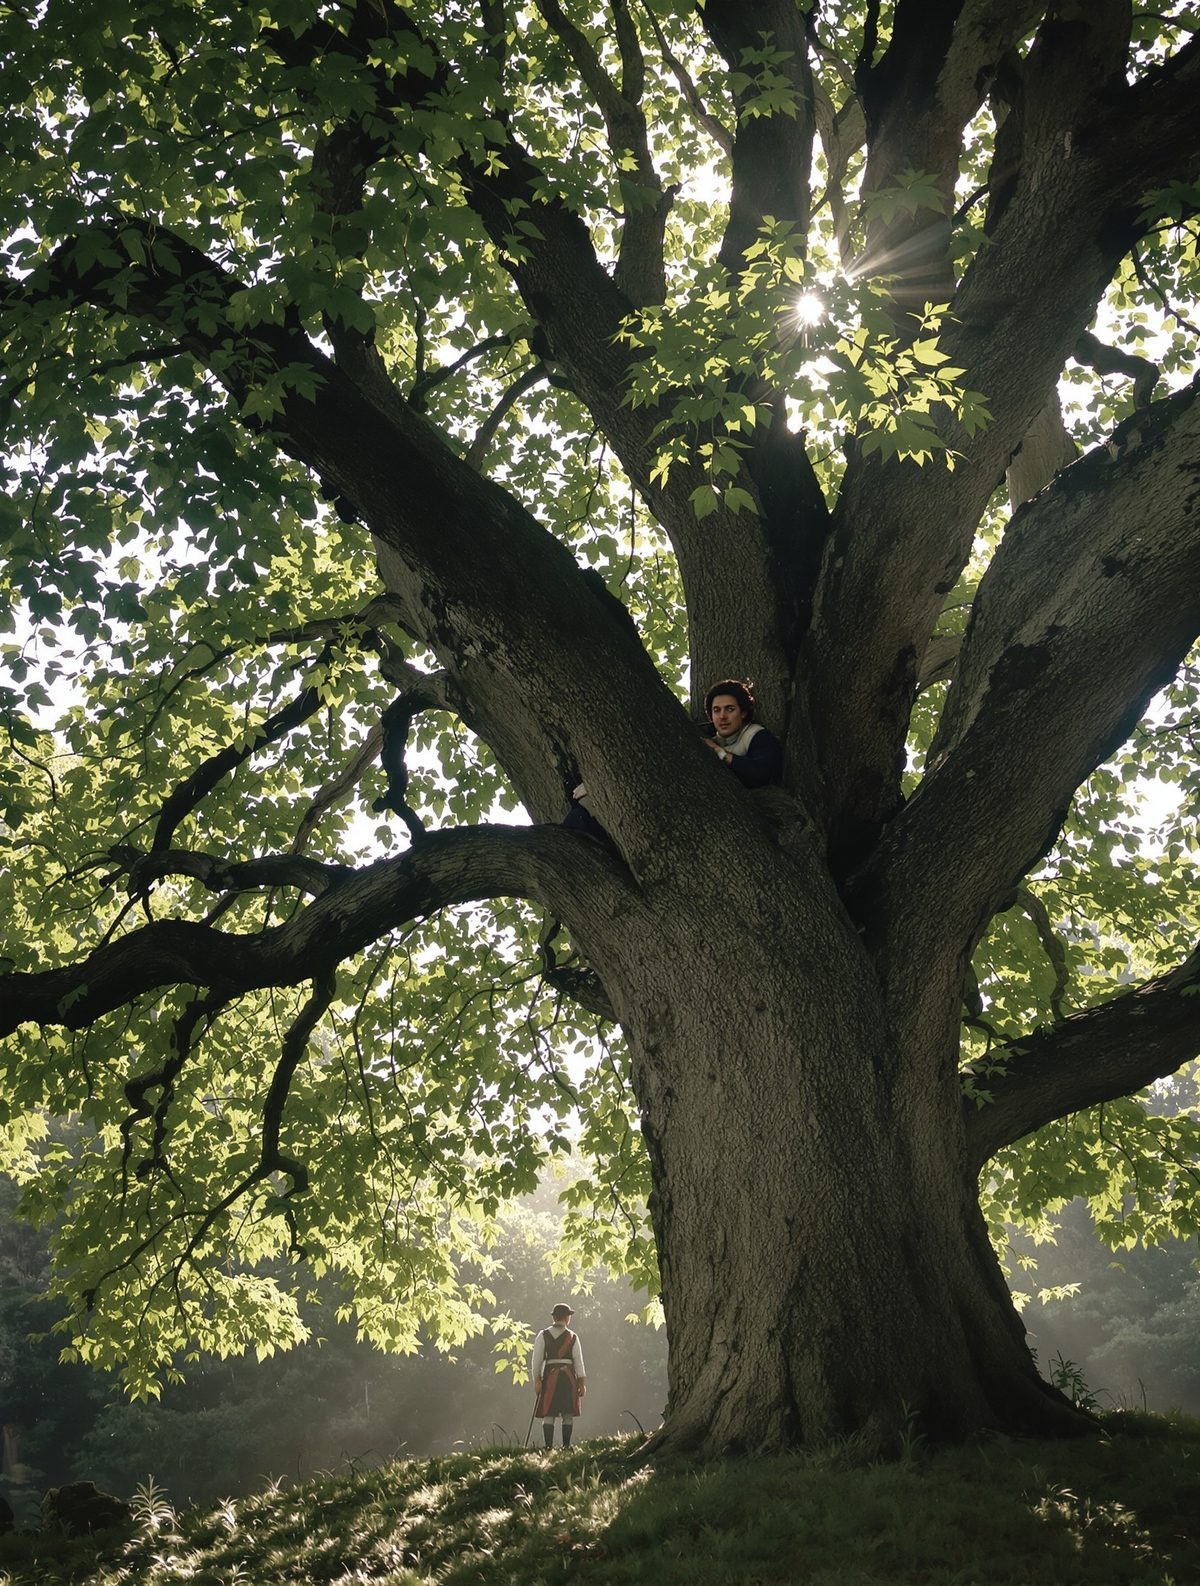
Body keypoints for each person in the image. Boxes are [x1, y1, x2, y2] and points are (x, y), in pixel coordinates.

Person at [701, 678, 782, 786]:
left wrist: (719, 752)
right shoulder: (706, 738)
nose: (722, 716)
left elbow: (760, 774)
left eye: (730, 709)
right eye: (716, 710)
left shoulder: (759, 736)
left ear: (743, 712)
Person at [530, 1303, 586, 1448]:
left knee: (549, 1411)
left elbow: (536, 1361)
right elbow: (578, 1361)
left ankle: (548, 1447)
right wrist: (581, 1382)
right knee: (568, 1413)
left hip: (550, 1378)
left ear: (554, 1317)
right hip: (568, 1378)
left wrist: (537, 1380)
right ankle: (566, 1446)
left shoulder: (543, 1335)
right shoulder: (573, 1337)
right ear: (567, 1318)